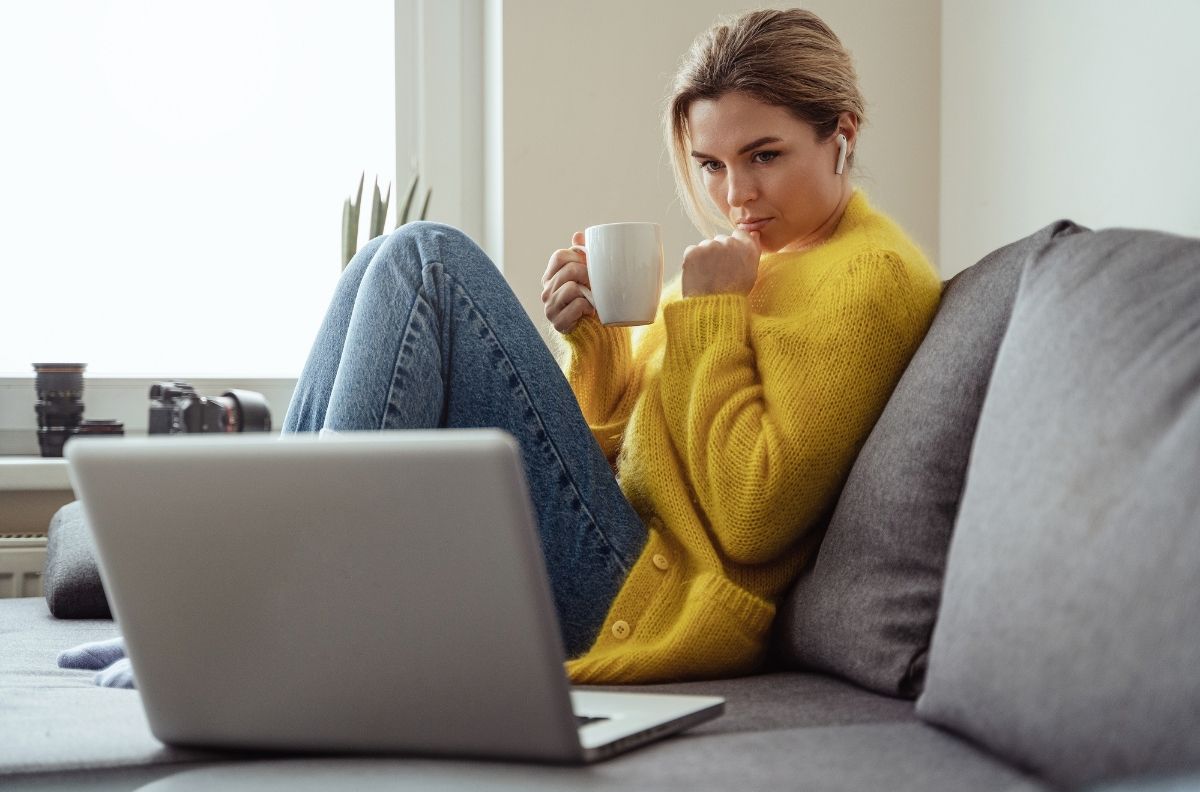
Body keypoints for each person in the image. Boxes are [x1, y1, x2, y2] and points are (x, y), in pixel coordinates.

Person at [61, 7, 941, 688]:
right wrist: (594, 347)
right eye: (710, 165)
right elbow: (628, 455)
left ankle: (263, 625)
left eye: (764, 155)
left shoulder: (871, 279)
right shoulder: (741, 265)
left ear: (843, 134)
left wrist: (709, 319)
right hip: (622, 550)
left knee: (427, 258)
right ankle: (229, 608)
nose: (734, 193)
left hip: (655, 603)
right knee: (382, 256)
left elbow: (752, 518)